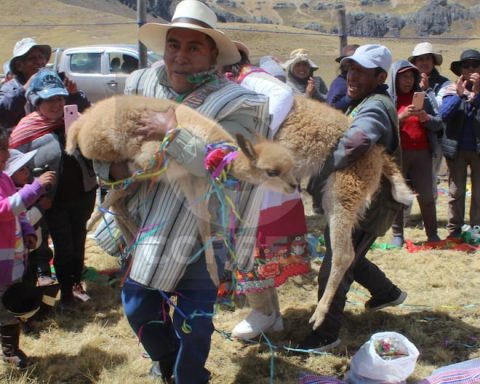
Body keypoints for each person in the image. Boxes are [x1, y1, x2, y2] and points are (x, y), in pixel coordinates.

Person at [94, 1, 271, 383]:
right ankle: (168, 363)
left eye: (194, 47)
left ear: (212, 54)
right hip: (143, 220)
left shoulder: (243, 104)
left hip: (201, 228)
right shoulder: (140, 84)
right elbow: (108, 142)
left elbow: (232, 167)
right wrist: (112, 168)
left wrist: (171, 135)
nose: (181, 56)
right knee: (138, 303)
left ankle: (190, 376)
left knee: (195, 320)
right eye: (174, 45)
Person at [287, 45, 407, 353]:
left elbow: (358, 140)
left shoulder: (376, 106)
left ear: (380, 76)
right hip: (356, 200)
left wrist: (320, 166)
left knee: (334, 266)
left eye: (361, 72)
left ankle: (326, 334)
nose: (351, 76)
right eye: (349, 69)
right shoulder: (363, 100)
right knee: (350, 255)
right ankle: (387, 293)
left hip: (367, 204)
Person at [221, 41, 310, 339]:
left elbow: (282, 93)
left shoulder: (249, 79)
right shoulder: (235, 83)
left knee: (252, 246)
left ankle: (263, 311)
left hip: (264, 184)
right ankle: (273, 318)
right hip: (256, 184)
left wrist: (254, 140)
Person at [10, 69, 97, 308]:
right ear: (37, 101)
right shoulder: (25, 130)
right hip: (53, 201)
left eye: (59, 98)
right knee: (63, 246)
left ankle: (76, 283)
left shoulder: (75, 120)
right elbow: (15, 168)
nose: (56, 104)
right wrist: (34, 193)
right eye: (49, 100)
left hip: (83, 194)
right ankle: (66, 292)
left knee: (79, 242)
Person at [0, 130, 55, 368]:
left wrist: (29, 232)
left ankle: (10, 350)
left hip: (12, 260)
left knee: (9, 308)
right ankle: (10, 351)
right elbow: (3, 209)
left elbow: (18, 212)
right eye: (2, 150)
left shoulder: (3, 178)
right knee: (4, 309)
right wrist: (34, 189)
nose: (6, 154)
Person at [388, 60, 444, 247]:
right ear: (395, 78)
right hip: (399, 154)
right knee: (398, 195)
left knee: (426, 196)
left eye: (411, 76)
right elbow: (382, 127)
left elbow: (438, 123)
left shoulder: (424, 98)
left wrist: (426, 118)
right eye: (403, 77)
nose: (408, 81)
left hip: (422, 153)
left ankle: (433, 234)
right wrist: (400, 118)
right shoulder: (388, 100)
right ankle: (397, 235)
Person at [0, 37, 91, 130]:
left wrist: (74, 95)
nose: (39, 62)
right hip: (25, 141)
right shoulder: (11, 88)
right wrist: (24, 90)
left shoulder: (55, 83)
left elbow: (85, 112)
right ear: (19, 66)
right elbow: (2, 115)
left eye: (41, 57)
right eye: (32, 58)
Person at [440, 49, 480, 238]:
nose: (470, 69)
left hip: (478, 149)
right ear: (460, 69)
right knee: (456, 192)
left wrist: (476, 95)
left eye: (475, 65)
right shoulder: (451, 89)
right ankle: (454, 230)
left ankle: (476, 229)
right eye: (466, 65)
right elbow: (444, 115)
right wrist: (459, 95)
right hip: (457, 149)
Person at [5, 148, 55, 288]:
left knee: (30, 279)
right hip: (17, 253)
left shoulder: (26, 190)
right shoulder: (13, 197)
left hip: (30, 248)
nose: (27, 171)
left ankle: (32, 302)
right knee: (21, 283)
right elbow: (20, 220)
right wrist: (40, 208)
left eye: (26, 167)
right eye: (21, 169)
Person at [326, 44, 359, 112]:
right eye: (348, 62)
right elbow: (332, 107)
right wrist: (349, 97)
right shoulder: (341, 83)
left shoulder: (347, 82)